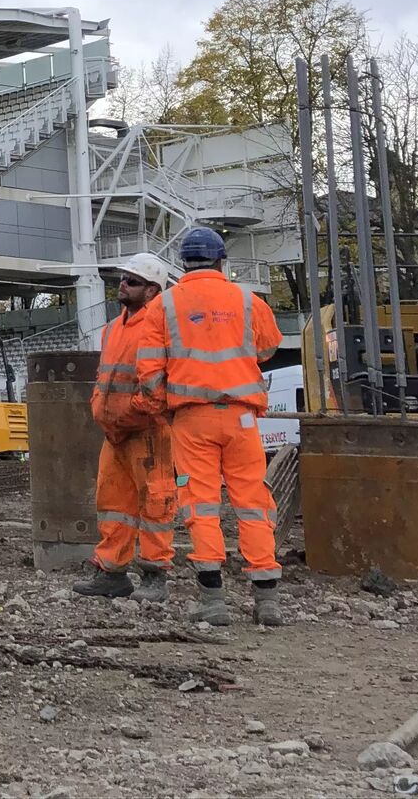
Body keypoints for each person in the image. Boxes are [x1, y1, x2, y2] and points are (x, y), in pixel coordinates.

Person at [143, 226, 284, 627]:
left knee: (200, 504)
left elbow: (149, 372)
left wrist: (163, 408)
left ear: (183, 262)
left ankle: (213, 599)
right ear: (222, 261)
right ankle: (267, 601)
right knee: (253, 503)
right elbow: (268, 347)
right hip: (241, 416)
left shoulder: (164, 306)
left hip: (191, 418)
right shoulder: (247, 300)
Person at [74, 253, 177, 604]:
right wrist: (103, 413)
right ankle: (111, 572)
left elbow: (158, 387)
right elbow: (106, 379)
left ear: (151, 291)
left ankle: (155, 574)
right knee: (112, 502)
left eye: (132, 281)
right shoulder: (114, 328)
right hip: (116, 432)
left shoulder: (158, 326)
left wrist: (130, 414)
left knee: (156, 503)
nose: (123, 284)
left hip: (148, 430)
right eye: (122, 278)